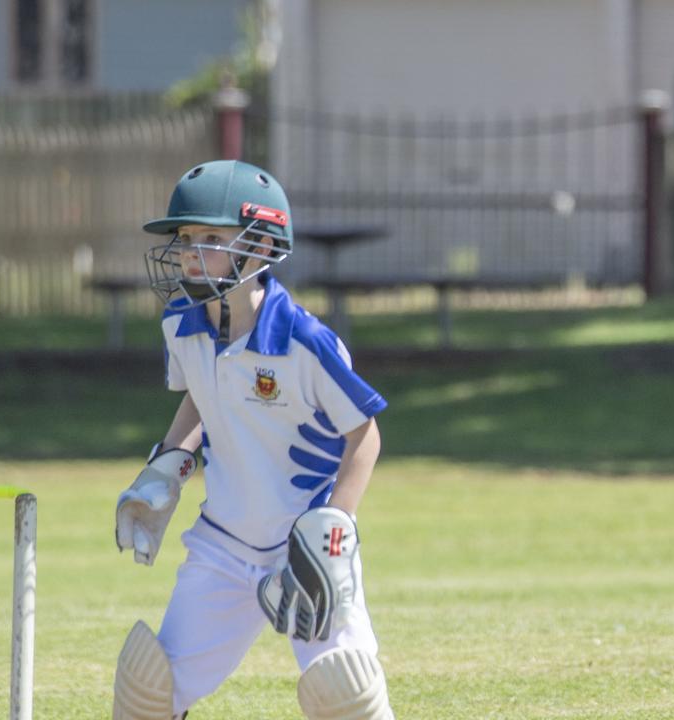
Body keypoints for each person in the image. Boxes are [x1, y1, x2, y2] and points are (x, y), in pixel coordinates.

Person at [111, 160, 395, 720]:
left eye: (211, 238)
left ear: (262, 245)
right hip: (222, 546)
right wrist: (167, 466)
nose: (191, 251)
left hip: (303, 553)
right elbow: (203, 393)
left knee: (346, 695)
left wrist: (333, 534)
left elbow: (365, 434)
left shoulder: (305, 341)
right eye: (187, 238)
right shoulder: (181, 323)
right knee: (148, 693)